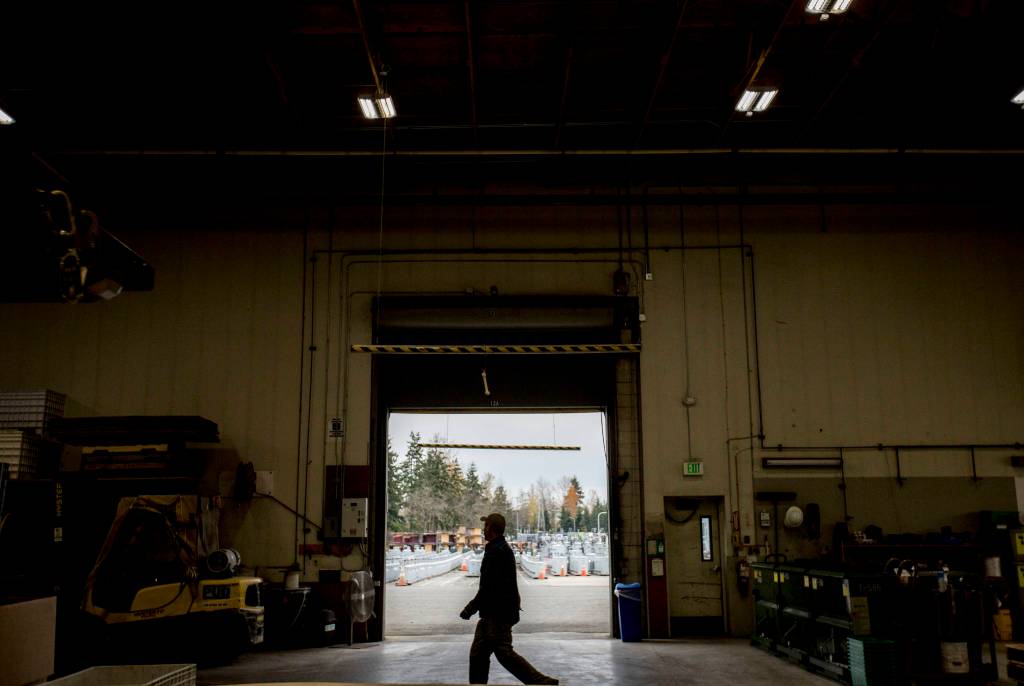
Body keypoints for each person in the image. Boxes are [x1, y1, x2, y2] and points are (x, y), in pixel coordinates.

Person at [460, 513, 558, 685]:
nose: (484, 529)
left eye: (486, 526)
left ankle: (540, 682)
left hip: (498, 614)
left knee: (503, 653)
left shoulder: (497, 551)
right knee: (479, 654)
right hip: (495, 613)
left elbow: (488, 588)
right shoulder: (498, 548)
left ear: (493, 528)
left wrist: (470, 608)